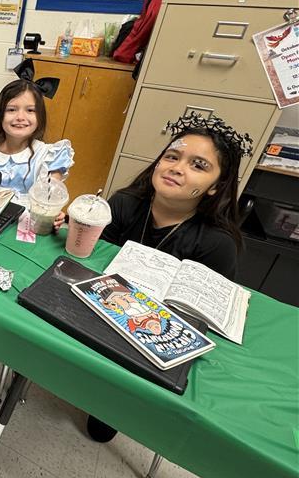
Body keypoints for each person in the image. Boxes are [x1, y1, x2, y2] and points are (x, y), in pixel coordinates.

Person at [86, 111, 252, 443]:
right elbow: (90, 262)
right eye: (172, 156)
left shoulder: (217, 244)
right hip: (100, 310)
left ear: (214, 188)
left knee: (102, 426)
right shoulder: (125, 204)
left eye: (198, 165)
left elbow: (201, 324)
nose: (177, 167)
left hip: (154, 336)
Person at [0, 58, 74, 201]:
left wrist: (54, 214)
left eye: (30, 110)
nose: (20, 117)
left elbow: (50, 201)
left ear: (40, 116)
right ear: (0, 114)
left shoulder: (49, 157)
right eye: (11, 109)